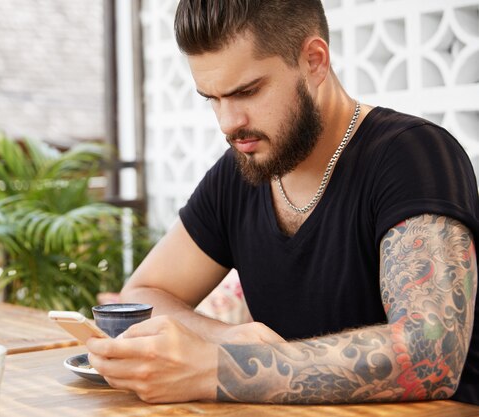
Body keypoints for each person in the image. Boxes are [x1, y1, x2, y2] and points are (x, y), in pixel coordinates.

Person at [86, 0, 479, 405]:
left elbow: (431, 355)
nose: (228, 123)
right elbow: (143, 294)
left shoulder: (412, 155)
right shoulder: (240, 170)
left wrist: (221, 368)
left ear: (314, 60)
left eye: (247, 91)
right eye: (212, 98)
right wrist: (225, 338)